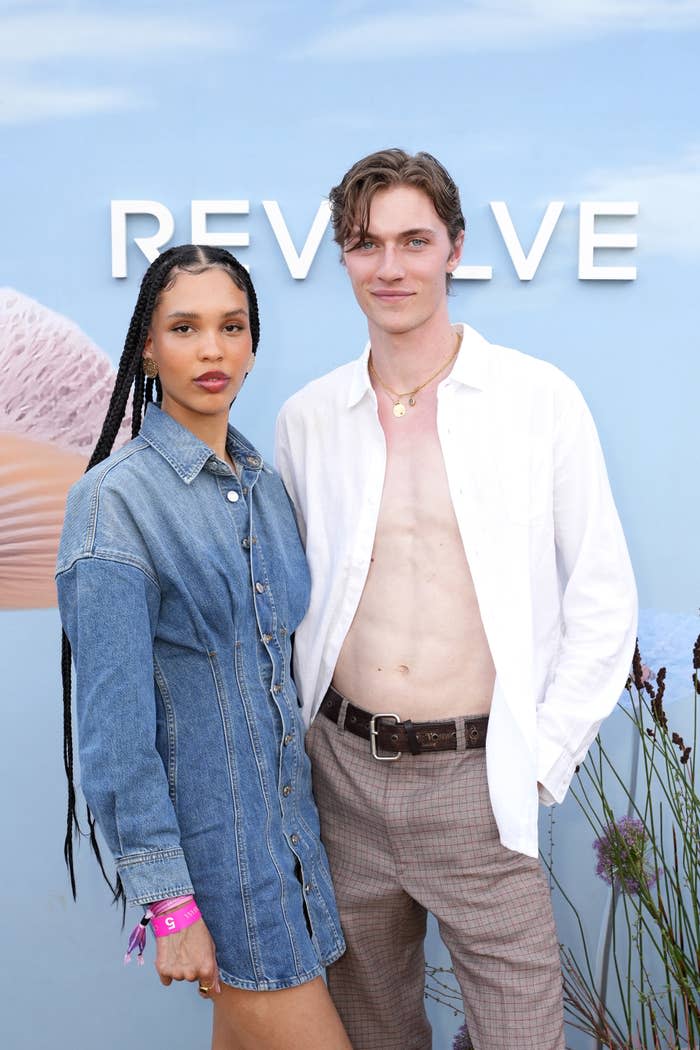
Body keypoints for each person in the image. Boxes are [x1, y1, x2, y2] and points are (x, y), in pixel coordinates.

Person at [274, 149, 638, 1050]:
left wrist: (542, 761)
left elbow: (603, 595)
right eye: (365, 245)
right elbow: (282, 605)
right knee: (368, 1034)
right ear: (344, 258)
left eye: (413, 240)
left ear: (455, 248)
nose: (389, 266)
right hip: (342, 777)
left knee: (521, 1034)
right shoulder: (307, 418)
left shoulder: (538, 400)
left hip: (481, 780)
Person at [56, 245, 351, 1050]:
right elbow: (116, 739)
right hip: (222, 881)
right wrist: (170, 905)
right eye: (185, 327)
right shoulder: (111, 506)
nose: (213, 350)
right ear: (148, 346)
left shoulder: (263, 484)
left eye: (232, 326)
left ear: (254, 342)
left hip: (293, 859)